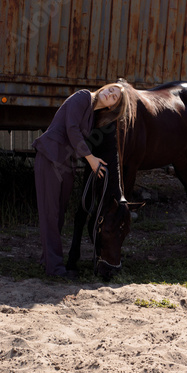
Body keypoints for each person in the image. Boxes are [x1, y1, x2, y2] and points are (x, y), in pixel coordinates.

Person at [32, 83, 127, 278]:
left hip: (65, 164)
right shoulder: (83, 97)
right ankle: (56, 269)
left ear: (113, 107)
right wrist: (90, 158)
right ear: (104, 88)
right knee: (50, 214)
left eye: (115, 97)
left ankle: (47, 260)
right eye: (111, 89)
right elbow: (71, 128)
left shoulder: (93, 115)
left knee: (58, 213)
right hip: (50, 156)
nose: (110, 94)